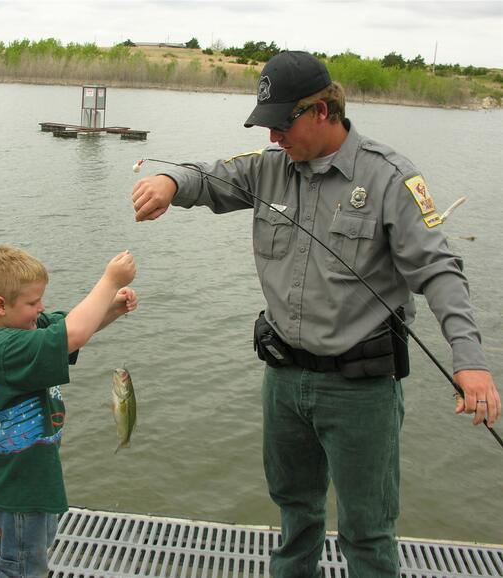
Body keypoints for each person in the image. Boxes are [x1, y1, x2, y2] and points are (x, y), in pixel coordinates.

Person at [131, 51, 500, 578]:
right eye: (267, 126)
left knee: (368, 532)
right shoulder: (268, 168)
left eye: (283, 124)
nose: (274, 137)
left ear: (322, 112)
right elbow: (205, 177)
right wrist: (168, 182)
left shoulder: (390, 177)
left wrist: (470, 361)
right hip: (283, 381)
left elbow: (439, 270)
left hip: (361, 392)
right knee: (294, 517)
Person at [0, 245, 137, 578]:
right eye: (33, 303)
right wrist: (109, 281)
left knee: (31, 557)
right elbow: (71, 335)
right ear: (0, 306)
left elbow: (73, 329)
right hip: (13, 486)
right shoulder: (1, 349)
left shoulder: (21, 330)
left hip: (33, 479)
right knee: (15, 566)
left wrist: (112, 309)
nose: (40, 309)